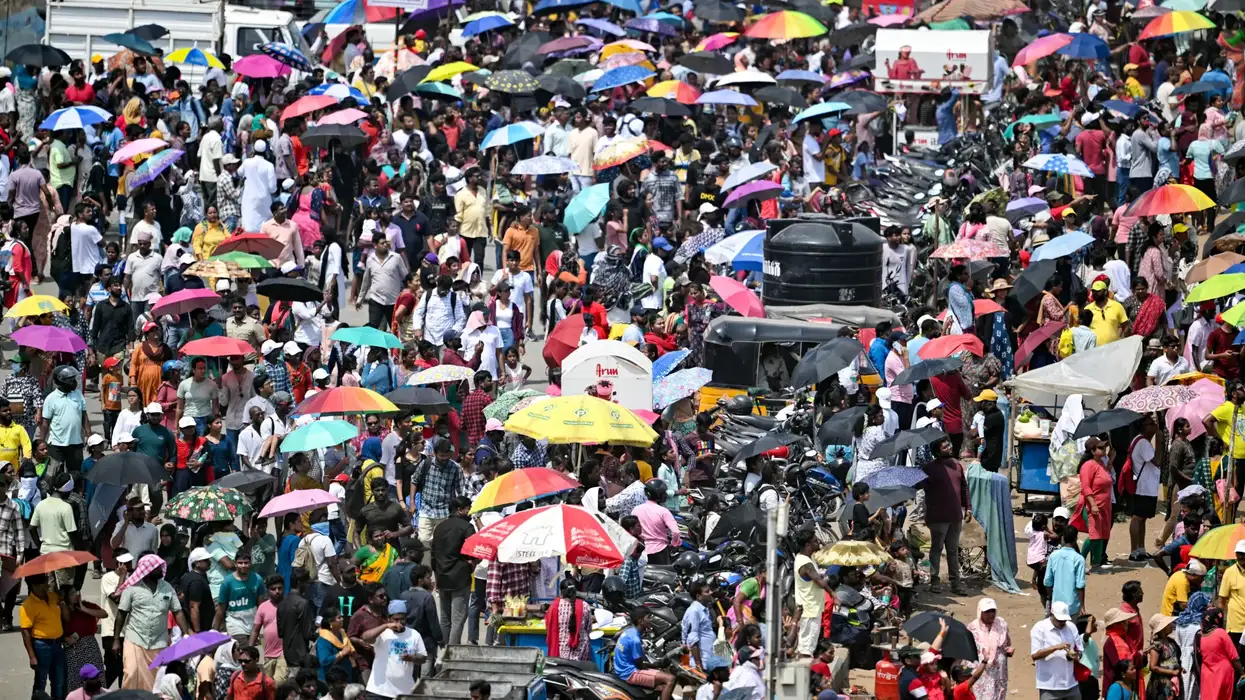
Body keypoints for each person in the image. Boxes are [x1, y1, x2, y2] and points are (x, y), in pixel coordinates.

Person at [114, 554, 190, 689]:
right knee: (131, 673)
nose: (161, 570)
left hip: (159, 641)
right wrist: (116, 640)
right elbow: (121, 614)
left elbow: (178, 611)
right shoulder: (132, 588)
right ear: (147, 569)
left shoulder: (167, 588)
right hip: (135, 639)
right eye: (157, 568)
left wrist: (185, 634)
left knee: (156, 679)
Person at [923, 440, 970, 595]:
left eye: (949, 445)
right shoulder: (928, 469)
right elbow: (919, 487)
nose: (949, 447)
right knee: (936, 549)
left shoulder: (957, 465)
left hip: (955, 515)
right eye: (945, 447)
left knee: (952, 550)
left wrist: (968, 508)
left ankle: (955, 582)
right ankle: (934, 580)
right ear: (937, 451)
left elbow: (964, 487)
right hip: (938, 516)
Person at [431, 495, 474, 646]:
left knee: (445, 618)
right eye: (468, 508)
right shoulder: (467, 527)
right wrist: (472, 562)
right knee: (458, 618)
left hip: (442, 577)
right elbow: (473, 550)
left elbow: (433, 555)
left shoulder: (439, 527)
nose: (470, 512)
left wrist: (436, 576)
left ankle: (443, 651)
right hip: (460, 578)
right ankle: (453, 650)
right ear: (459, 510)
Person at [361, 600, 426, 700]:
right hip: (378, 691)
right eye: (395, 620)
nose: (399, 623)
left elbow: (423, 658)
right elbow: (365, 637)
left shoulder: (414, 634)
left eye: (402, 620)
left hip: (403, 692)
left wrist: (412, 657)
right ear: (389, 619)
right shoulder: (383, 633)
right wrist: (385, 626)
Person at [614, 607, 676, 700]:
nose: (650, 620)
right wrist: (656, 665)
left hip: (621, 669)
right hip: (629, 673)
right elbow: (640, 666)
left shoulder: (628, 631)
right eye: (648, 617)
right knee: (670, 679)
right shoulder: (635, 639)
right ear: (640, 620)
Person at [21, 573, 65, 700]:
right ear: (34, 586)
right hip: (41, 646)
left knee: (59, 681)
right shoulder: (28, 605)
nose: (46, 585)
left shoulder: (53, 596)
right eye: (44, 583)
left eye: (46, 581)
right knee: (41, 682)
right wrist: (32, 656)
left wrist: (61, 595)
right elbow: (25, 632)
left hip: (57, 644)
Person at [1072, 437, 1113, 571]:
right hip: (1092, 506)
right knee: (1094, 536)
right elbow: (1086, 488)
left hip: (1104, 506)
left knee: (1101, 536)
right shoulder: (1088, 466)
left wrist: (1111, 459)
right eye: (1101, 447)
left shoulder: (1101, 463)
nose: (1104, 449)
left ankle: (1096, 564)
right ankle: (1079, 561)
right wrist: (1093, 505)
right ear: (1093, 450)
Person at [1031, 601, 1083, 700]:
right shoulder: (1040, 628)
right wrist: (1056, 647)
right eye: (1059, 620)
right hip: (1049, 686)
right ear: (1051, 614)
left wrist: (1074, 656)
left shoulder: (1071, 627)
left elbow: (1080, 650)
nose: (1062, 622)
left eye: (1064, 620)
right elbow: (1035, 655)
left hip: (1071, 684)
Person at [966, 598, 1011, 700]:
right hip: (981, 672)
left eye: (993, 611)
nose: (991, 614)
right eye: (987, 611)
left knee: (998, 694)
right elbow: (968, 650)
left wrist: (1009, 650)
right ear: (980, 612)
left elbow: (1007, 643)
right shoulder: (972, 628)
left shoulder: (1001, 624)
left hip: (999, 671)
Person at [1196, 606, 1241, 700]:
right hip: (1223, 674)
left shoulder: (1198, 636)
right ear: (1217, 619)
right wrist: (1242, 673)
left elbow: (1198, 657)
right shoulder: (1221, 633)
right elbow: (1234, 657)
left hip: (1206, 675)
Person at [545, 579, 592, 662]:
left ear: (561, 592)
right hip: (581, 653)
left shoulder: (554, 607)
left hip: (560, 653)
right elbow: (588, 629)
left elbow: (548, 626)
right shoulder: (585, 606)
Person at [1045, 526, 1087, 619]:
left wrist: (1051, 598)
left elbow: (1047, 581)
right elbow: (1080, 585)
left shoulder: (1053, 556)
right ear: (1076, 539)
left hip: (1056, 605)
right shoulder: (1079, 559)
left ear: (1062, 538)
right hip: (1072, 606)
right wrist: (1082, 606)